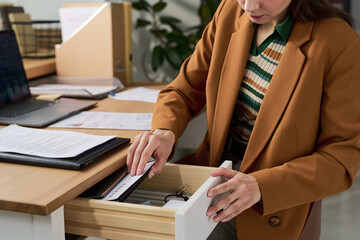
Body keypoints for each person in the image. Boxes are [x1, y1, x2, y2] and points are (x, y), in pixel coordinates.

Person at [127, 0, 360, 239]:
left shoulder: (340, 44)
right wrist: (164, 131)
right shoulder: (230, 11)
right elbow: (184, 89)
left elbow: (340, 159)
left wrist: (261, 186)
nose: (249, 6)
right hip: (211, 176)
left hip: (266, 201)